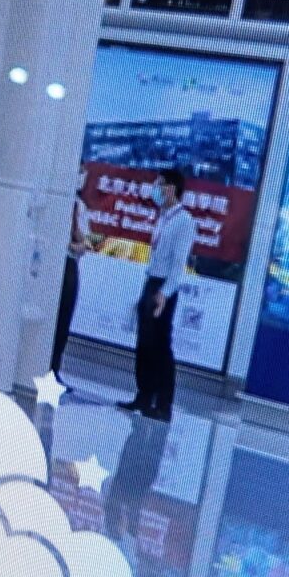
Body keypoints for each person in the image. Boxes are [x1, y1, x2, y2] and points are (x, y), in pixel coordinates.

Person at [120, 168, 194, 420]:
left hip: (164, 286)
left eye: (160, 185)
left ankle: (163, 403)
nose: (156, 189)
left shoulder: (184, 221)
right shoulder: (163, 218)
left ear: (172, 188)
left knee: (161, 345)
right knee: (144, 342)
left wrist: (165, 293)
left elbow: (178, 264)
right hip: (151, 281)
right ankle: (143, 395)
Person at [47, 193, 101, 382]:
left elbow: (85, 242)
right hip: (51, 264)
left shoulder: (79, 206)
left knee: (63, 321)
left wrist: (76, 240)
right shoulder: (54, 199)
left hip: (70, 264)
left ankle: (54, 370)